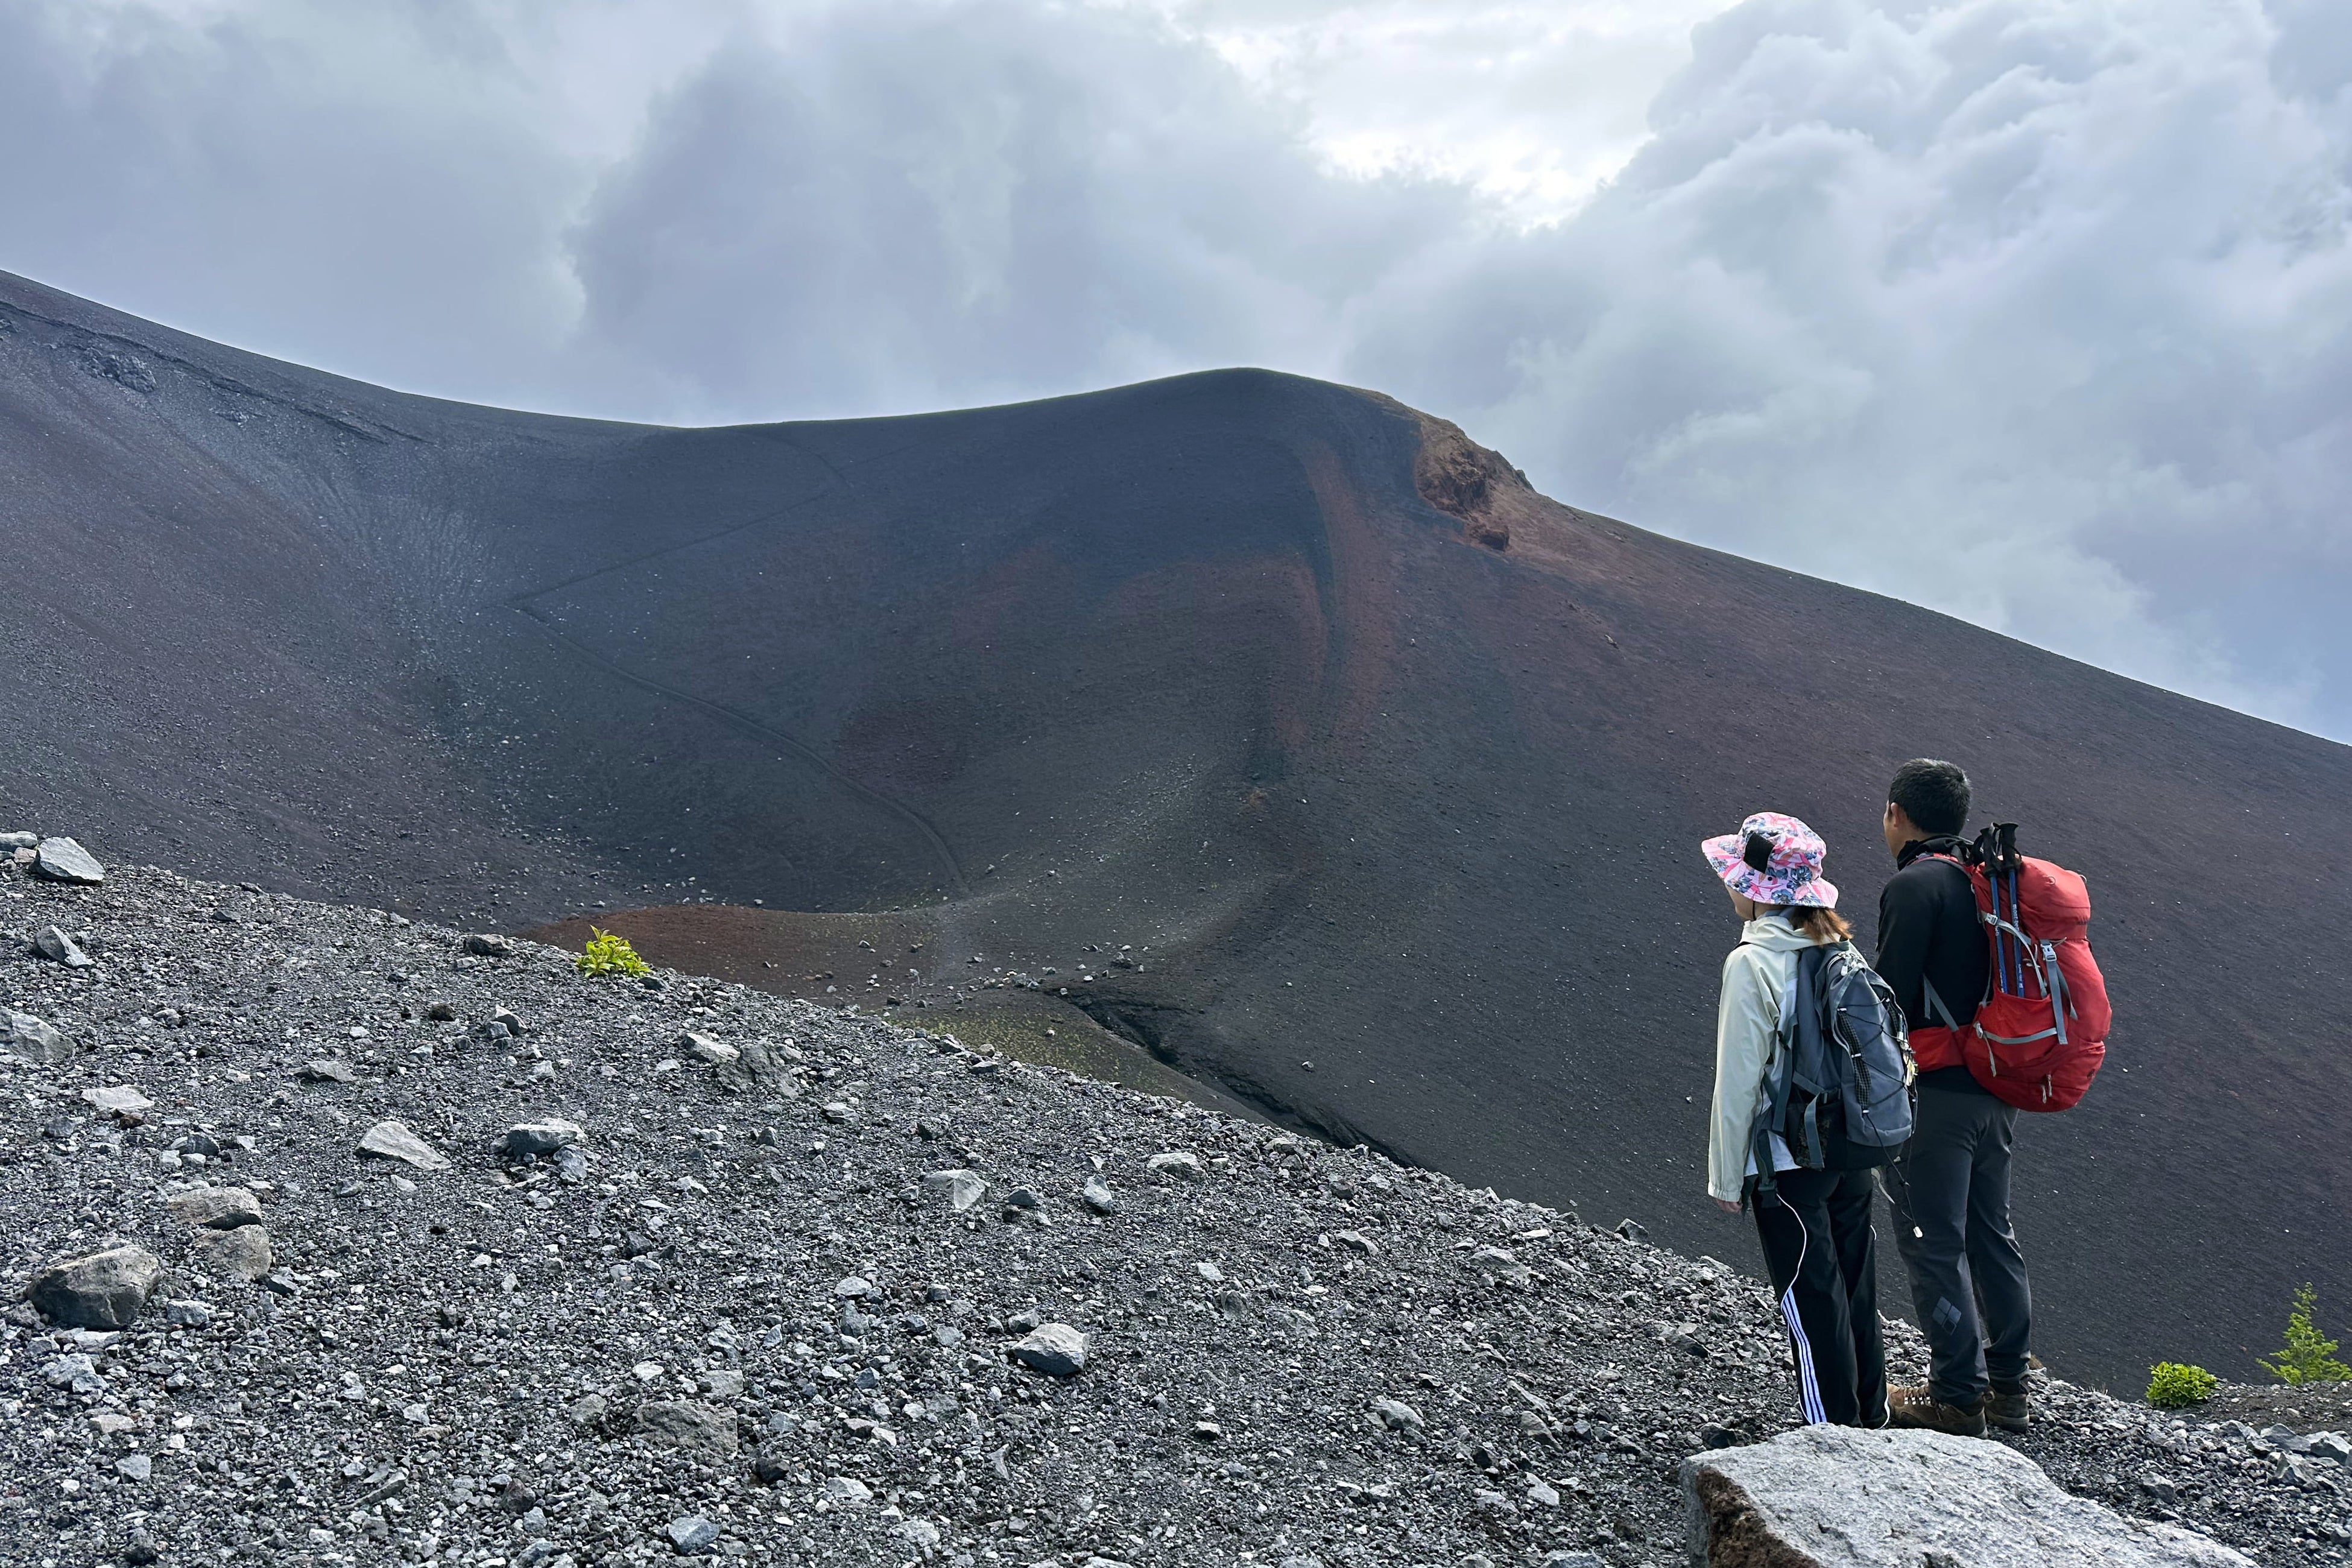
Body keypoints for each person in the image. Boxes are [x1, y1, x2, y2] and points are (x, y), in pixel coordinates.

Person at [1701, 811, 1889, 1428]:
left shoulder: (1753, 963)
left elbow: (1738, 1082)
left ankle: (1832, 1435)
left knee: (1810, 1297)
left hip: (1790, 1159)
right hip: (1852, 1148)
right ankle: (1872, 1414)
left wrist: (1728, 1178)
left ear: (1755, 888)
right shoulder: (1841, 947)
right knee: (1856, 1285)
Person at [1874, 758, 2032, 1437]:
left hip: (1935, 1092)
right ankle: (2008, 1389)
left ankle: (1955, 1397)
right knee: (1990, 1233)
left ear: (1896, 813)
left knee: (1931, 1239)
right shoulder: (1988, 883)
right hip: (1996, 1086)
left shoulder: (1914, 887)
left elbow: (1886, 999)